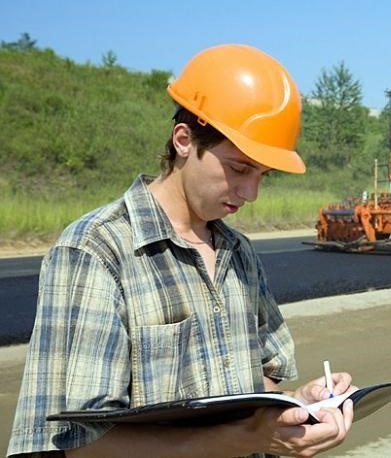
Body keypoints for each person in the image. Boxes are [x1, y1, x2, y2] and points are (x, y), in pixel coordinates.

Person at [7, 44, 355, 458]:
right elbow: (79, 445)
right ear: (184, 140)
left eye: (264, 174)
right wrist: (248, 439)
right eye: (239, 168)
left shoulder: (239, 253)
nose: (251, 192)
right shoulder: (98, 252)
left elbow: (254, 382)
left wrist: (298, 405)